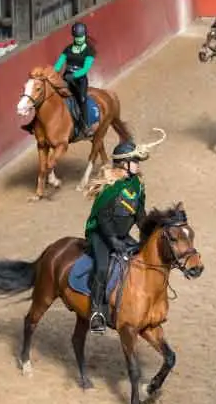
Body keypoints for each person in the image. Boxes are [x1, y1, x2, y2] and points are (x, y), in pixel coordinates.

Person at [83, 140, 147, 334]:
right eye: (135, 160)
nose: (138, 164)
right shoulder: (111, 187)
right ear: (124, 163)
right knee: (102, 268)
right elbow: (102, 218)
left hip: (121, 235)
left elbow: (140, 214)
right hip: (101, 235)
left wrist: (148, 234)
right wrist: (113, 241)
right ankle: (96, 313)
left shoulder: (137, 185)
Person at [54, 22, 96, 137]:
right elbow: (59, 64)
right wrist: (53, 72)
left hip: (80, 80)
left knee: (82, 99)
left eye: (81, 37)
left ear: (85, 36)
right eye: (76, 37)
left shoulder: (89, 51)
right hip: (66, 79)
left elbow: (85, 69)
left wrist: (73, 75)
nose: (78, 40)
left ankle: (86, 125)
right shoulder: (67, 49)